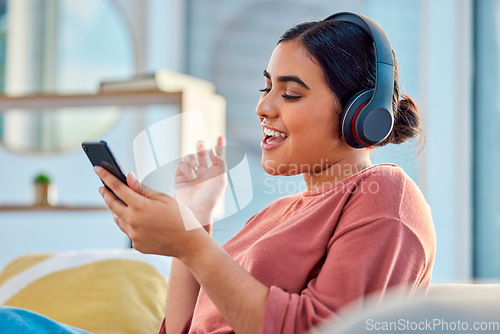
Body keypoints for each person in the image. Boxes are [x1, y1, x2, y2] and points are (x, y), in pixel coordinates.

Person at [95, 12, 436, 334]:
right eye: (266, 88)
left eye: (290, 94)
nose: (263, 108)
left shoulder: (386, 195)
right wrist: (194, 221)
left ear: (361, 115)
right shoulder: (275, 213)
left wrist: (192, 246)